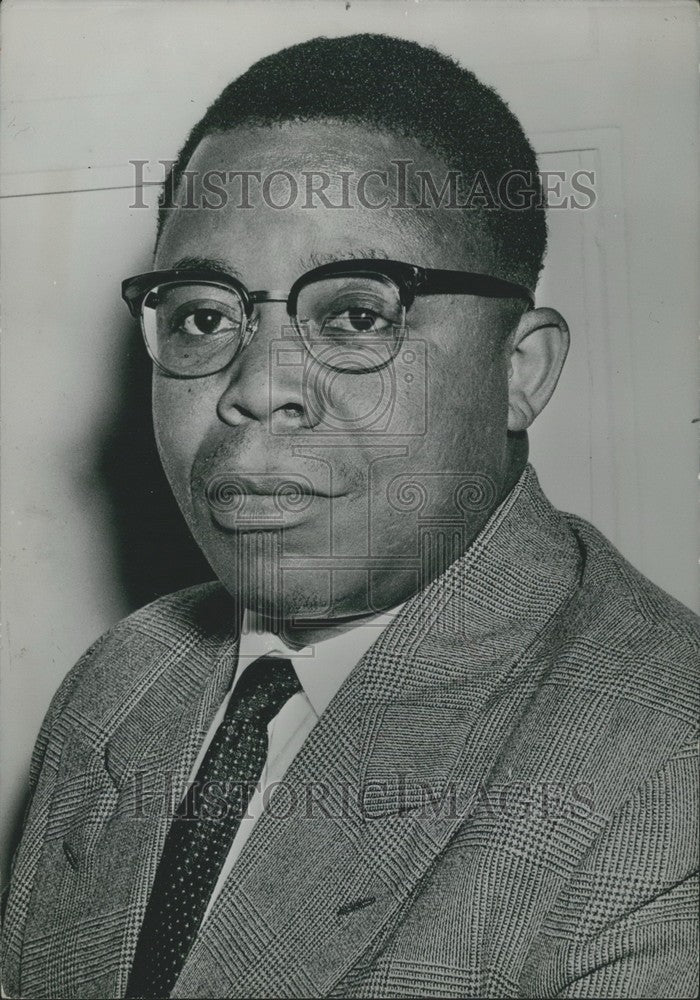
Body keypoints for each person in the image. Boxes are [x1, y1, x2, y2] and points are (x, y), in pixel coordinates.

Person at [2, 33, 697, 1000]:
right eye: (203, 315)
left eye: (356, 316)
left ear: (520, 372)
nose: (256, 388)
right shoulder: (125, 684)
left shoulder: (668, 780)